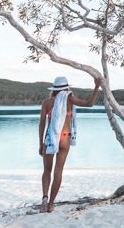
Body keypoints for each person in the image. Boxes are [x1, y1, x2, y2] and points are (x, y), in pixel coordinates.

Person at [39, 75, 101, 212]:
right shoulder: (70, 100)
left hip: (50, 138)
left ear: (54, 89)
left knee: (47, 170)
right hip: (65, 138)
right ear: (67, 88)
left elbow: (42, 124)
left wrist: (40, 143)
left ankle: (44, 199)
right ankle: (51, 204)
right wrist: (96, 87)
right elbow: (90, 104)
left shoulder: (47, 102)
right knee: (58, 171)